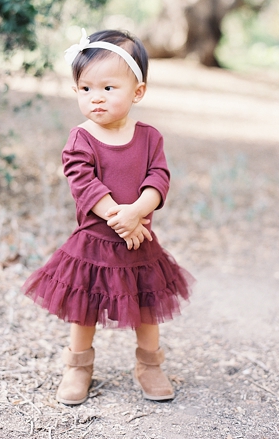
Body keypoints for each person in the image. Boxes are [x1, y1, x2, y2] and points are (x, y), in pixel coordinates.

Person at [22, 29, 194, 405]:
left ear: (138, 92)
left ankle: (149, 364)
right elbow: (83, 183)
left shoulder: (149, 137)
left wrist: (137, 213)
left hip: (140, 242)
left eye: (108, 88)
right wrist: (121, 218)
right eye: (85, 89)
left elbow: (159, 178)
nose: (95, 97)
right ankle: (78, 366)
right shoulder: (81, 139)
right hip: (95, 244)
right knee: (83, 309)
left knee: (147, 306)